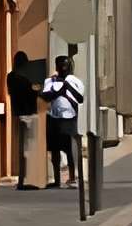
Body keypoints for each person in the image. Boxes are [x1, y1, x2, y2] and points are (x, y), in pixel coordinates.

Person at [40, 53, 84, 187]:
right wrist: (59, 91)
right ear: (57, 66)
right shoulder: (50, 81)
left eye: (65, 65)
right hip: (53, 117)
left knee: (69, 149)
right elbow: (45, 96)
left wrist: (67, 86)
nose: (63, 68)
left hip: (69, 118)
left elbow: (80, 98)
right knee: (54, 149)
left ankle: (72, 177)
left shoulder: (75, 81)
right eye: (61, 65)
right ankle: (57, 179)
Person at [6, 50, 37, 189]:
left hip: (17, 113)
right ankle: (26, 181)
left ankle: (21, 180)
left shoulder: (10, 77)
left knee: (22, 149)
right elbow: (31, 96)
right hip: (28, 114)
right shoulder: (23, 80)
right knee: (28, 149)